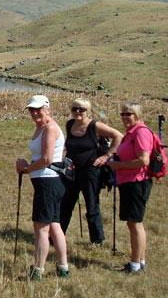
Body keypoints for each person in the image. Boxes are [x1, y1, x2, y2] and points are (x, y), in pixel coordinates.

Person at [15, 94, 70, 281]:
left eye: (38, 109)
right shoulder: (40, 127)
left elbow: (47, 159)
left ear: (48, 109)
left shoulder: (50, 128)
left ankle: (38, 270)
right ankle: (63, 267)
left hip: (49, 182)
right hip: (45, 181)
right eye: (32, 109)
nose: (35, 112)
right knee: (54, 225)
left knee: (41, 227)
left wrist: (26, 168)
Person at [60, 98, 123, 246]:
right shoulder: (70, 124)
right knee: (65, 204)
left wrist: (107, 155)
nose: (77, 112)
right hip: (71, 171)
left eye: (81, 109)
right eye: (74, 109)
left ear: (87, 111)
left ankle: (97, 239)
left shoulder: (95, 126)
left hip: (91, 171)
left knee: (92, 204)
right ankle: (56, 236)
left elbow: (118, 136)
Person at [108, 102, 154, 274]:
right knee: (134, 223)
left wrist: (119, 165)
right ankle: (140, 261)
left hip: (137, 182)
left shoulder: (141, 132)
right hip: (129, 181)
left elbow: (144, 160)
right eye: (123, 114)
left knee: (135, 223)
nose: (125, 117)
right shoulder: (131, 133)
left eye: (129, 114)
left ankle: (135, 265)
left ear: (138, 115)